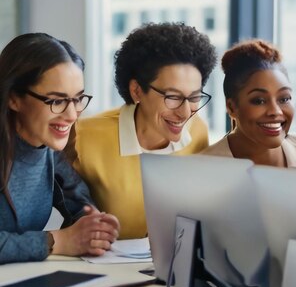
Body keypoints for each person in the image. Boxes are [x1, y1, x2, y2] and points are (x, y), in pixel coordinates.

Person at [67, 23, 216, 239]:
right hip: (107, 264)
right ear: (137, 90)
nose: (185, 112)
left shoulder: (197, 131)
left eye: (194, 97)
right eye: (172, 97)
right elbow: (69, 207)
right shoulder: (83, 136)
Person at [0, 33, 120, 263]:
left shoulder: (49, 150)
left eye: (77, 99)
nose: (72, 114)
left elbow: (79, 203)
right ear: (14, 99)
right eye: (57, 101)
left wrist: (94, 228)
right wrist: (58, 241)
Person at [203, 39, 296, 169]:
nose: (275, 111)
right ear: (231, 107)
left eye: (284, 99)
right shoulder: (203, 168)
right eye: (259, 101)